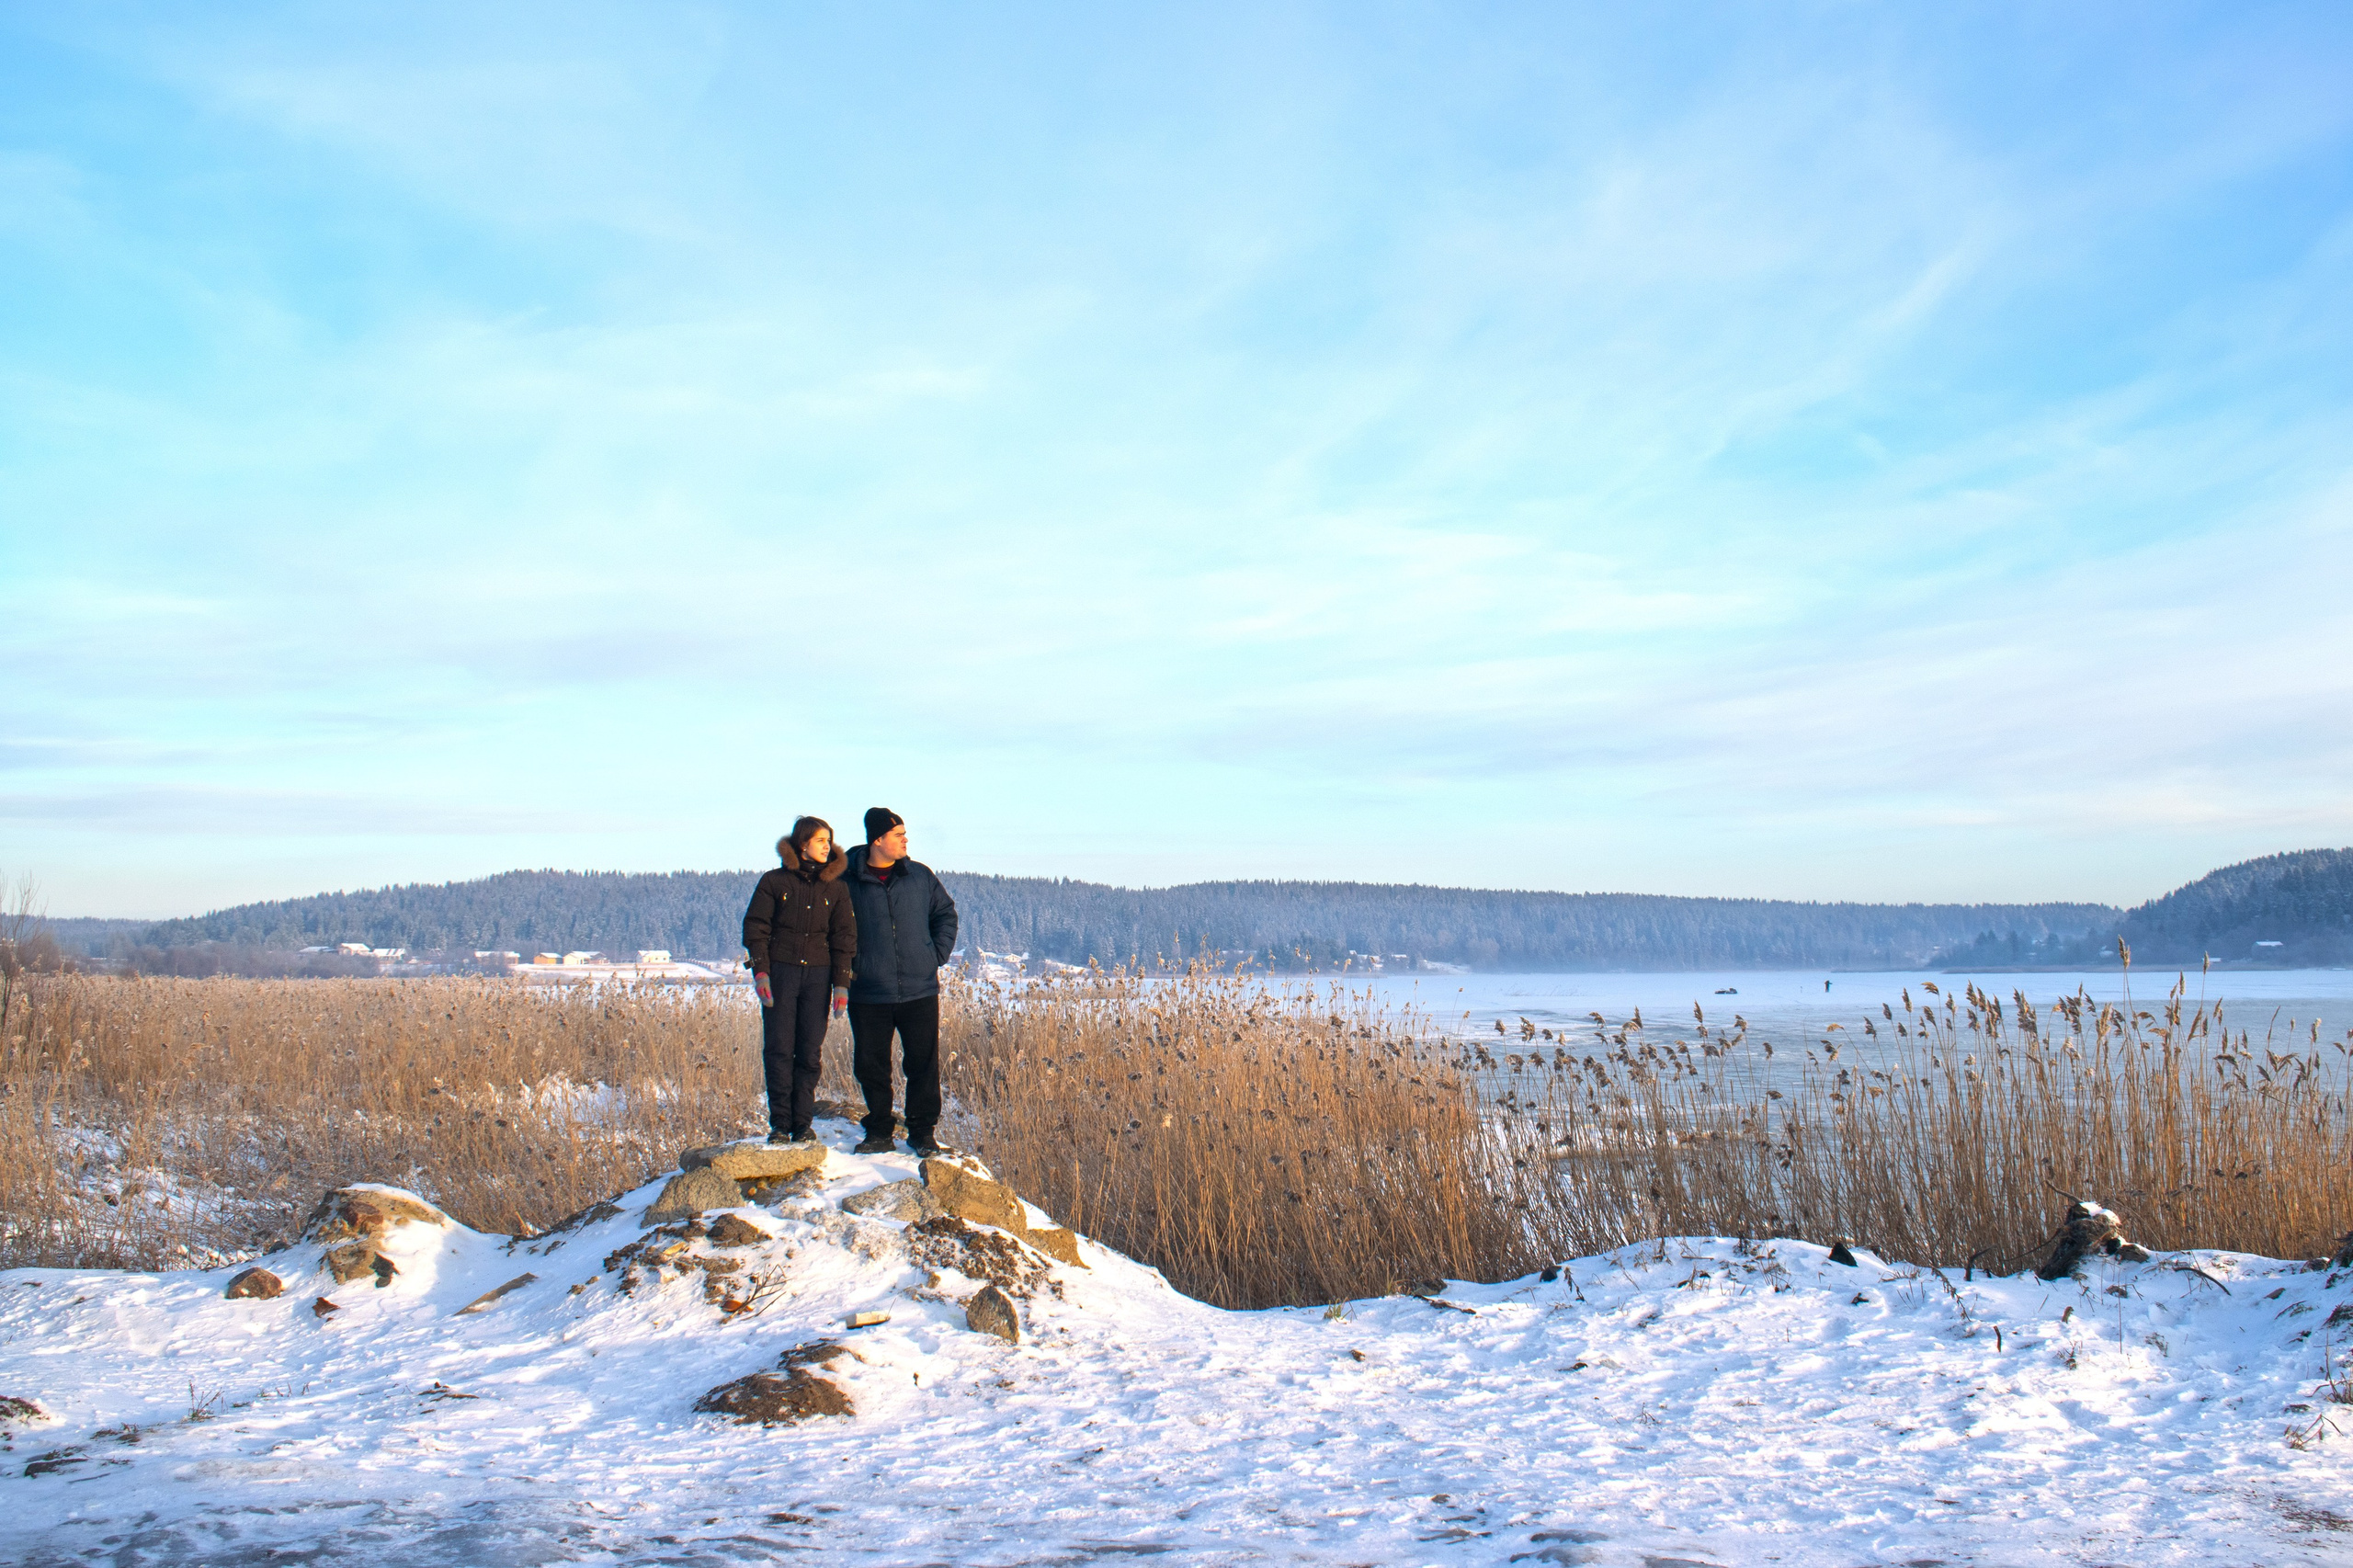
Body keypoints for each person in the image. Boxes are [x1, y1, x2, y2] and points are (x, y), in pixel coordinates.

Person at [842, 807, 960, 1155]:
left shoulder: (919, 876)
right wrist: (850, 969)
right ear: (877, 840)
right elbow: (832, 929)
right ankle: (879, 1130)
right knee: (870, 1064)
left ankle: (922, 1133)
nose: (906, 839)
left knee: (923, 1063)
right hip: (868, 991)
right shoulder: (846, 881)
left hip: (919, 989)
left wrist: (933, 956)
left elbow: (946, 914)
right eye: (898, 834)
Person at [742, 816, 855, 1144]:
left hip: (819, 978)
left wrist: (842, 984)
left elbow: (844, 937)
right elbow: (756, 927)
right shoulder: (774, 882)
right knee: (779, 1049)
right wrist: (761, 972)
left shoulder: (837, 888)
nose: (827, 846)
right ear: (803, 843)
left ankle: (802, 1124)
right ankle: (780, 1124)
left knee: (809, 1051)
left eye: (829, 840)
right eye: (820, 840)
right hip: (781, 974)